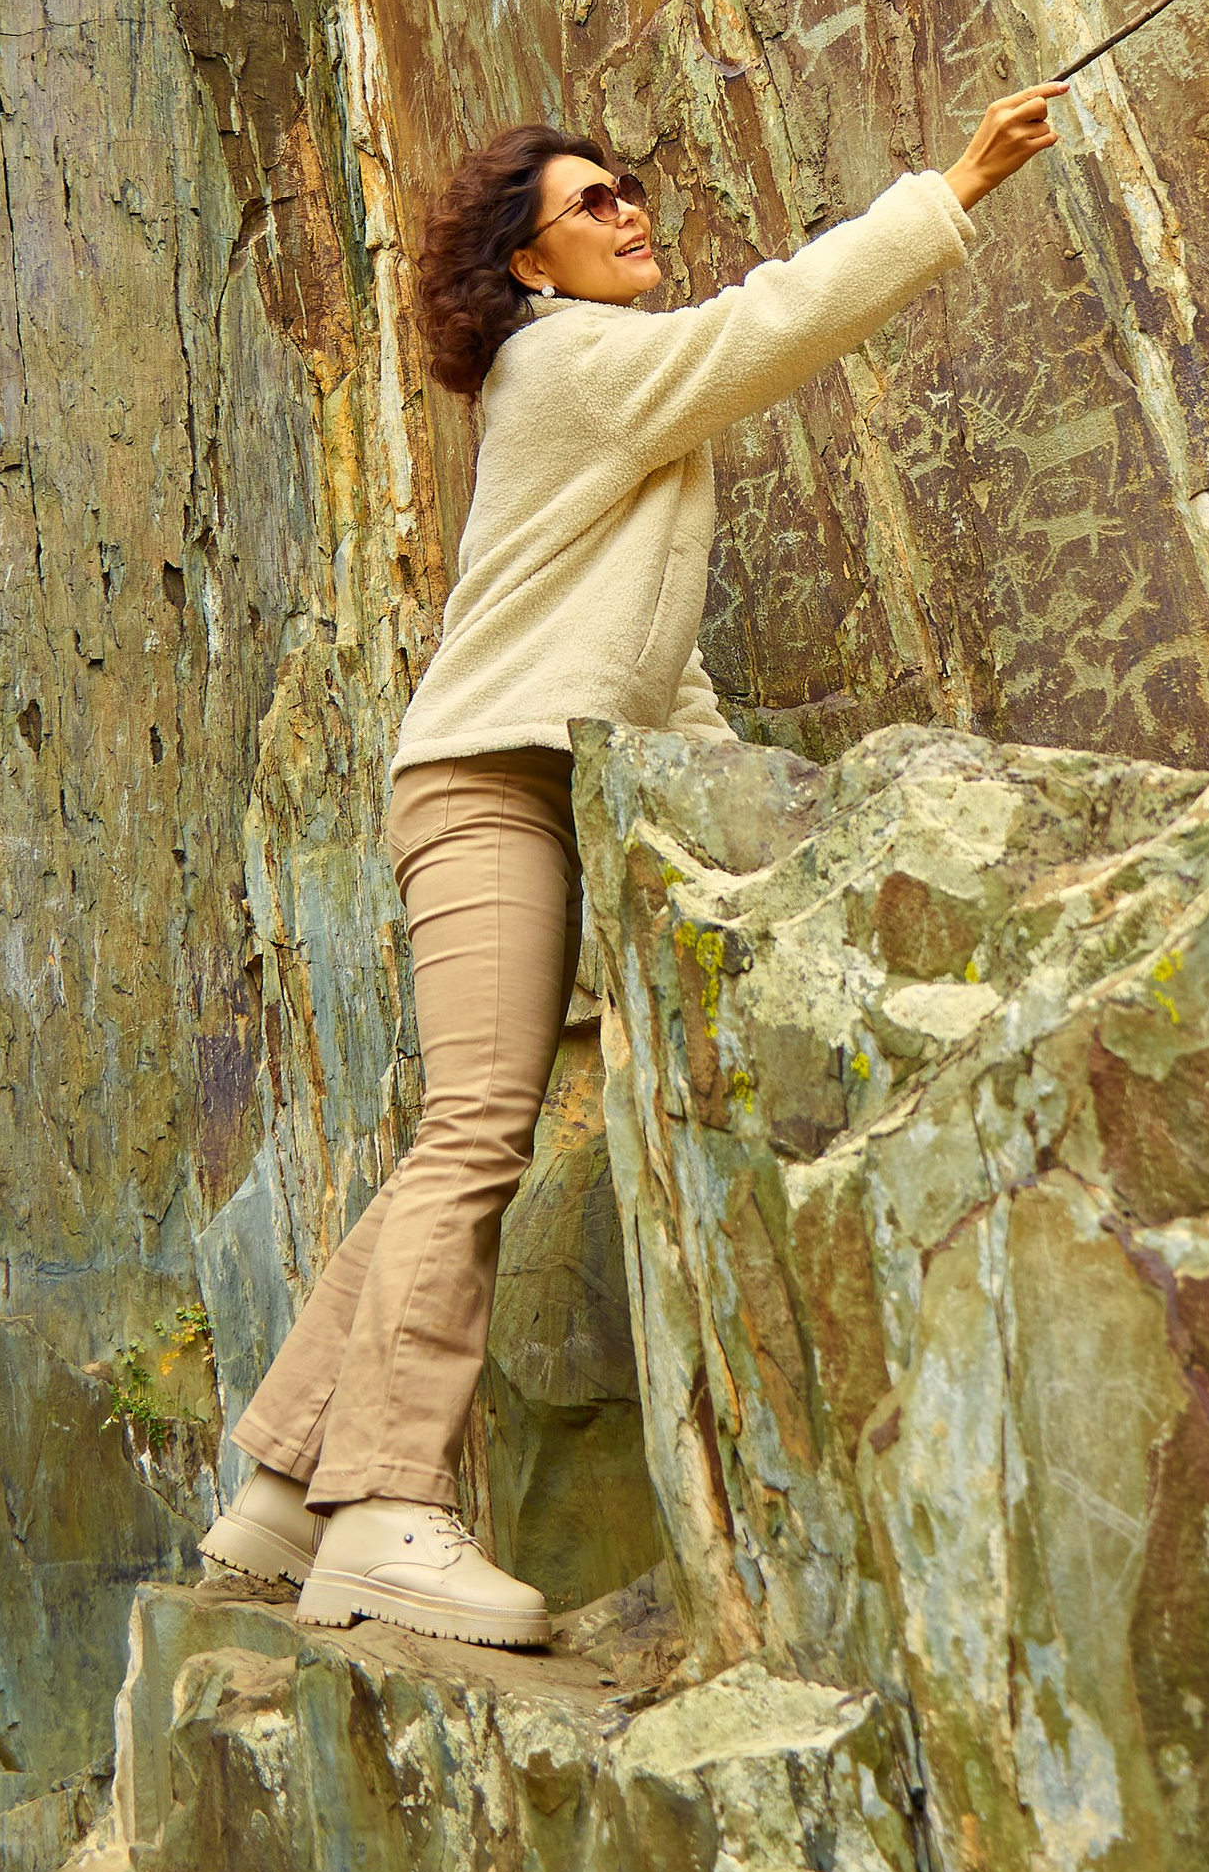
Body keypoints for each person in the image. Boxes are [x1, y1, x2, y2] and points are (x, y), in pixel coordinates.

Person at [197, 83, 1066, 1644]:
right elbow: (772, 324)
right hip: (482, 786)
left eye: (631, 189)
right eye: (593, 204)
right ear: (530, 268)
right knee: (475, 1132)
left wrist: (753, 814)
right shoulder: (568, 364)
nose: (630, 213)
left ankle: (278, 1500)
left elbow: (653, 669)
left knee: (451, 1135)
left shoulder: (626, 410)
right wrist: (951, 189)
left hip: (526, 776)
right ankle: (388, 1513)